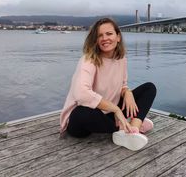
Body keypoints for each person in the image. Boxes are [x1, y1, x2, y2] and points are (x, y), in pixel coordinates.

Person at [60, 18, 156, 151]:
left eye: (109, 34)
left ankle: (134, 128)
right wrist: (116, 109)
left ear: (118, 37)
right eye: (100, 35)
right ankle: (124, 128)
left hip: (107, 114)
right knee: (82, 113)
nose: (105, 38)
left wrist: (127, 92)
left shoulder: (121, 59)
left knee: (149, 88)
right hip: (81, 123)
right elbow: (81, 93)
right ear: (95, 40)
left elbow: (122, 85)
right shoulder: (89, 60)